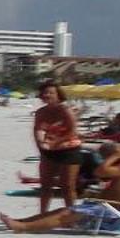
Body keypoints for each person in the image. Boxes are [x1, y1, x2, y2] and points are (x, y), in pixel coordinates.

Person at [31, 81, 82, 214]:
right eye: (45, 93)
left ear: (58, 95)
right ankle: (42, 213)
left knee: (67, 185)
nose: (47, 95)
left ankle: (71, 213)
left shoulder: (65, 110)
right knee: (46, 185)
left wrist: (56, 142)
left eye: (51, 93)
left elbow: (72, 131)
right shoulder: (41, 112)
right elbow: (38, 129)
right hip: (49, 151)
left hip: (69, 149)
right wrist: (41, 145)